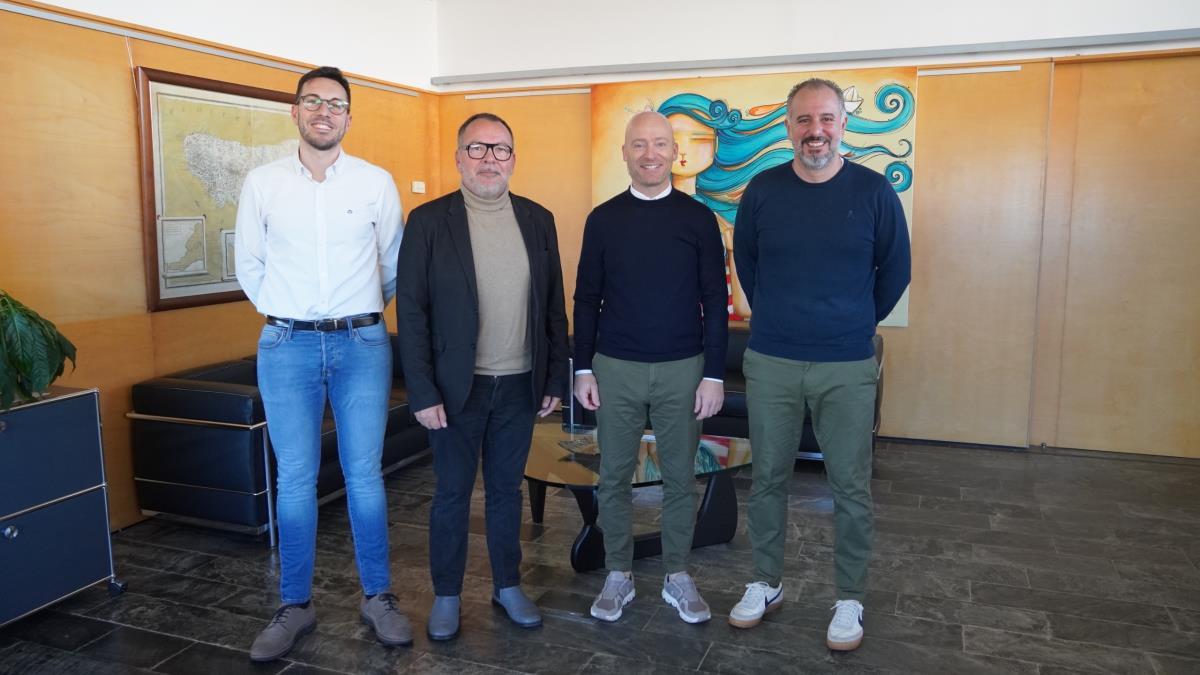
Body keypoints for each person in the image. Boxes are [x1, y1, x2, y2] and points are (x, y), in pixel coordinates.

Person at [728, 78, 911, 651]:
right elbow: (747, 263)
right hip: (772, 359)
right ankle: (766, 582)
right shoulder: (762, 191)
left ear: (842, 125)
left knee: (850, 487)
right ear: (788, 127)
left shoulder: (874, 192)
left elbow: (896, 270)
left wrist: (855, 321)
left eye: (826, 119)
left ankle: (850, 596)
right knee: (767, 480)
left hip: (846, 363)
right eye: (804, 120)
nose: (816, 131)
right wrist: (777, 316)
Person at [235, 66, 408, 661]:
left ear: (349, 118)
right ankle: (295, 605)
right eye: (312, 101)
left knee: (364, 475)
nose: (323, 112)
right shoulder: (262, 183)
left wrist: (358, 314)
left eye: (335, 104)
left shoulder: (375, 183)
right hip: (287, 345)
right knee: (294, 479)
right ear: (296, 112)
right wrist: (289, 312)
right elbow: (249, 264)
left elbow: (392, 265)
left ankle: (378, 596)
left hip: (362, 344)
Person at [395, 112, 569, 640]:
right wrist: (422, 391)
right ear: (458, 158)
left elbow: (553, 307)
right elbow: (412, 311)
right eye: (477, 148)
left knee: (505, 491)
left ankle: (507, 585)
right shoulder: (429, 221)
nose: (489, 159)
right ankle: (447, 594)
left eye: (500, 149)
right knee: (451, 494)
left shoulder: (538, 219)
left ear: (513, 159)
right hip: (455, 390)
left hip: (519, 385)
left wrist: (554, 380)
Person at [573, 111, 728, 624]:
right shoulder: (603, 219)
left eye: (659, 144)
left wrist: (714, 373)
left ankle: (677, 574)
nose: (650, 154)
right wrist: (582, 368)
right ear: (624, 153)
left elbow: (715, 298)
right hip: (615, 367)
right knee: (613, 477)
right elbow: (586, 297)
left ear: (674, 153)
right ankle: (618, 573)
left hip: (683, 368)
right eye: (638, 144)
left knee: (680, 477)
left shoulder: (698, 219)